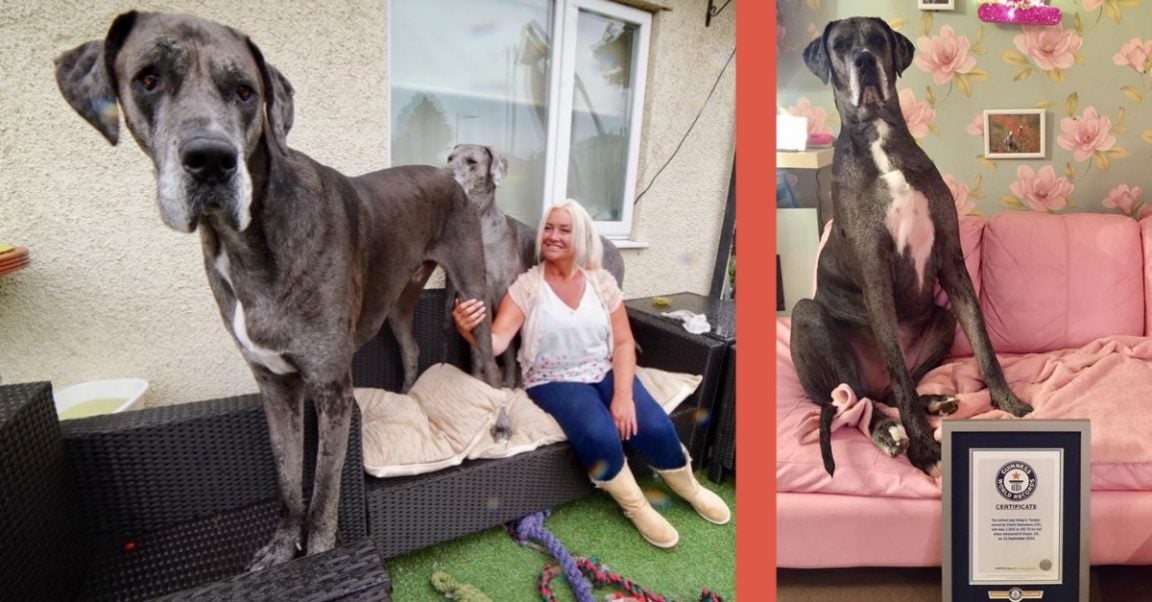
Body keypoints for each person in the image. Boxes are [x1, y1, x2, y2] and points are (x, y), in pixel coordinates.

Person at [452, 198, 730, 548]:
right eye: (548, 229)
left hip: (604, 369)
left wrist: (624, 397)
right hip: (554, 380)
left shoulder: (601, 282)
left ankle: (690, 488)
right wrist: (467, 328)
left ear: (581, 237)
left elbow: (624, 344)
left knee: (656, 425)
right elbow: (495, 342)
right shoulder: (527, 286)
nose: (552, 236)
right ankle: (638, 507)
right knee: (601, 437)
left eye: (564, 230)